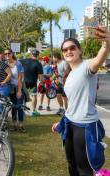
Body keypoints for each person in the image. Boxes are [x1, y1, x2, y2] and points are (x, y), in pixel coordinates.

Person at [52, 26, 110, 176]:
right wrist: (62, 121)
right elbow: (73, 103)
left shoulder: (87, 67)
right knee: (71, 164)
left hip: (85, 127)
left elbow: (99, 59)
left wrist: (106, 44)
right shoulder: (69, 74)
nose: (68, 51)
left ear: (79, 50)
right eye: (65, 50)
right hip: (70, 123)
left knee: (84, 168)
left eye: (72, 48)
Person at [5, 48, 26, 133]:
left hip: (18, 87)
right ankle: (14, 124)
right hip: (10, 88)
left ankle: (20, 125)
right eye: (5, 54)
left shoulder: (18, 64)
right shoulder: (5, 64)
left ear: (12, 53)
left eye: (8, 53)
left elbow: (20, 78)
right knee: (13, 106)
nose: (7, 55)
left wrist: (19, 91)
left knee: (19, 106)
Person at [20, 49, 44, 117]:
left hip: (23, 82)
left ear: (31, 54)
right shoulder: (38, 64)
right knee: (34, 96)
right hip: (32, 82)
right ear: (38, 55)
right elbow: (41, 77)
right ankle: (33, 111)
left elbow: (16, 63)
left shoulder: (24, 61)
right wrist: (41, 84)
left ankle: (22, 111)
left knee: (23, 96)